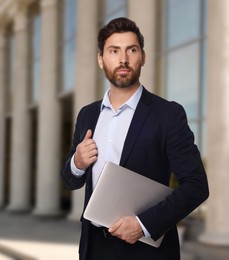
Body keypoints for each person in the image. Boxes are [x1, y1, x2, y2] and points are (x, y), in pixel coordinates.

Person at [61, 17, 209, 260]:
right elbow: (70, 181)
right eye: (114, 51)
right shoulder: (88, 115)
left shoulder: (168, 115)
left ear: (143, 57)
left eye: (131, 50)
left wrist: (143, 225)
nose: (123, 59)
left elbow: (196, 186)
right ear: (101, 59)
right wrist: (77, 163)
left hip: (146, 251)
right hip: (93, 248)